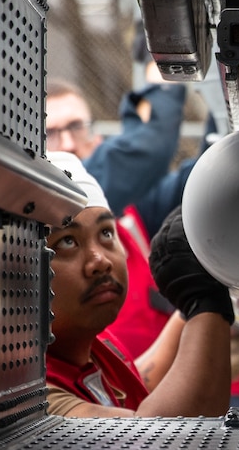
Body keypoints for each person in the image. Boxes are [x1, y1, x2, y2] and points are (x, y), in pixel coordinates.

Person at [43, 157, 232, 417]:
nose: (100, 261)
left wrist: (189, 300)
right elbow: (153, 442)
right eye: (66, 242)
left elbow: (137, 385)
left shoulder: (101, 348)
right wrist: (206, 304)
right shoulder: (31, 392)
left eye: (106, 233)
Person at [46, 71, 196, 361]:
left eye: (76, 127)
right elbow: (148, 150)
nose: (66, 144)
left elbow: (199, 185)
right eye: (49, 133)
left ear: (97, 137)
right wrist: (162, 83)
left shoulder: (136, 205)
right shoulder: (39, 211)